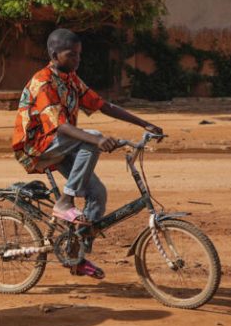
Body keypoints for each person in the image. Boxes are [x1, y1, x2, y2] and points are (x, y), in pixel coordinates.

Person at [12, 28, 164, 280]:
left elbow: (103, 105)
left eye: (79, 56)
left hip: (60, 144)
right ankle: (65, 201)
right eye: (71, 55)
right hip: (36, 147)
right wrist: (97, 139)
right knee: (91, 137)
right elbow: (60, 125)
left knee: (97, 194)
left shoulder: (71, 79)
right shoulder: (43, 82)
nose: (77, 60)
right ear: (54, 54)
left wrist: (143, 124)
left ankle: (76, 257)